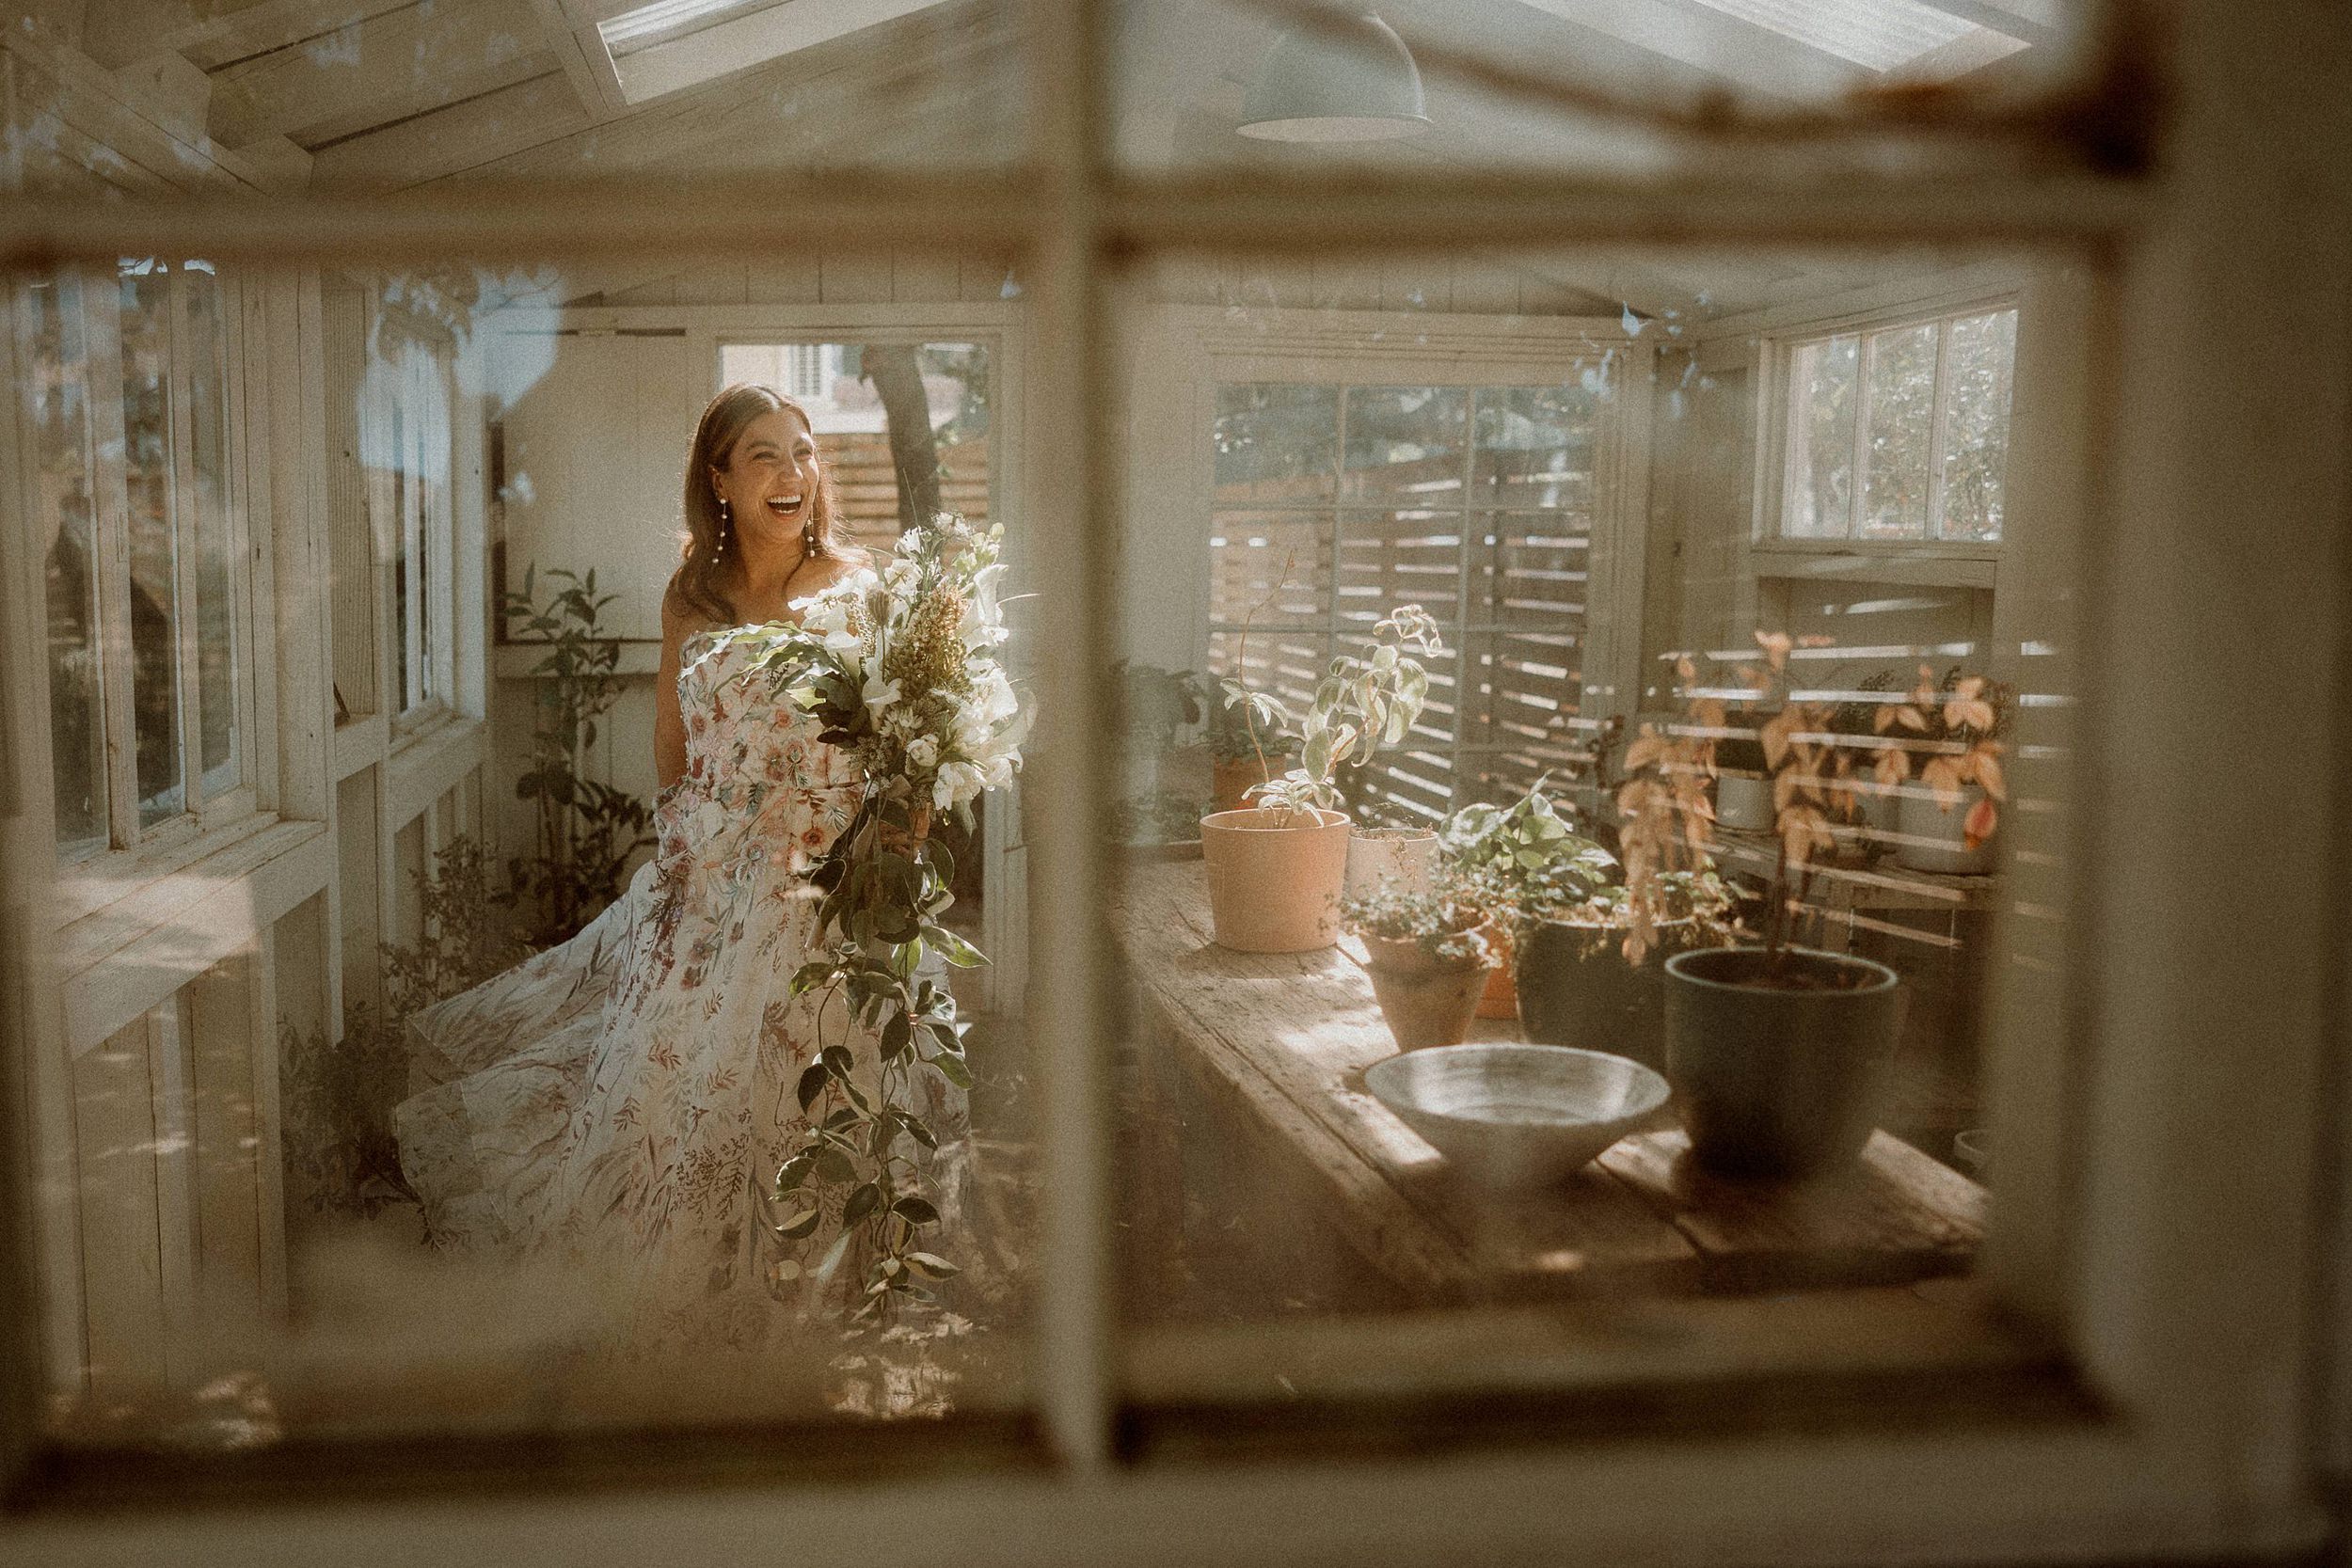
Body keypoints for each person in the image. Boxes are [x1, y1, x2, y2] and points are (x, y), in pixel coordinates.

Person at [393, 384, 971, 1348]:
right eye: (762, 456)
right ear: (719, 479)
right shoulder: (689, 595)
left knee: (822, 1075)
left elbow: (903, 738)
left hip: (827, 877)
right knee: (682, 1080)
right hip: (712, 876)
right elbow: (672, 730)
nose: (792, 474)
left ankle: (829, 1288)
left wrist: (892, 836)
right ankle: (695, 1283)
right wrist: (679, 847)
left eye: (802, 451)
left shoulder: (857, 586)